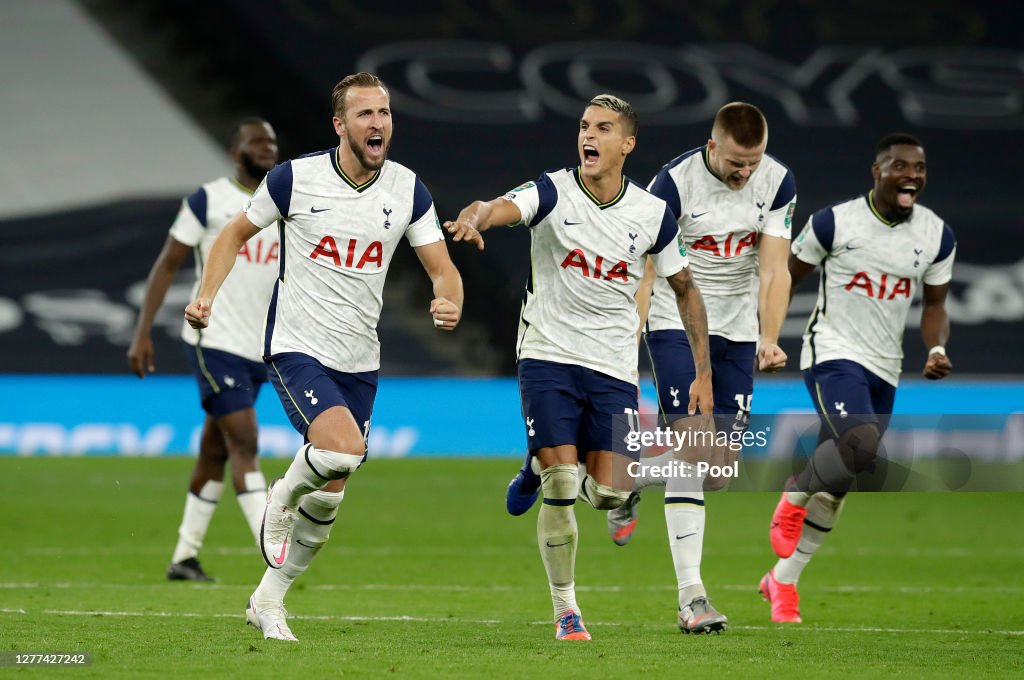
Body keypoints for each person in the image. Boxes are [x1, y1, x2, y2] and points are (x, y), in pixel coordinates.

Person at [184, 72, 464, 641]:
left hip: (360, 358)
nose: (378, 123)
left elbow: (442, 267)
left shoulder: (408, 189)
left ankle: (268, 601)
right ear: (340, 125)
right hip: (296, 348)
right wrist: (206, 294)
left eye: (384, 113)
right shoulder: (294, 180)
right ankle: (278, 498)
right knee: (342, 450)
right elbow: (233, 235)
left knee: (333, 493)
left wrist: (448, 299)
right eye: (365, 114)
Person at [445, 94, 713, 640]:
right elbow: (497, 206)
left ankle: (533, 463)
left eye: (603, 128)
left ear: (627, 144)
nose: (588, 136)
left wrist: (703, 372)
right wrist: (476, 218)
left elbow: (685, 289)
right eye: (585, 126)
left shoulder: (652, 215)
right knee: (563, 481)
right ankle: (566, 608)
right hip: (547, 354)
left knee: (613, 493)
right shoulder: (552, 190)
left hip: (613, 366)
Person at [604, 102, 797, 634]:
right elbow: (646, 271)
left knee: (716, 470)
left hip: (737, 330)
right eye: (737, 162)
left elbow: (775, 266)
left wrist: (771, 337)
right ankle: (693, 598)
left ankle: (628, 478)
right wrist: (631, 336)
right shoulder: (671, 184)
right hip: (675, 322)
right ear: (713, 147)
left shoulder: (777, 182)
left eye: (753, 161)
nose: (746, 173)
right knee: (694, 449)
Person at [759, 133, 955, 623]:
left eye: (920, 168)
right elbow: (788, 275)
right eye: (900, 166)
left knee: (843, 479)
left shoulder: (936, 235)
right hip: (833, 352)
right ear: (877, 171)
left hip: (885, 366)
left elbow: (935, 306)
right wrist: (766, 335)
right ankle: (794, 493)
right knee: (861, 445)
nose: (912, 175)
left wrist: (936, 348)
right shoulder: (834, 222)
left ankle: (782, 582)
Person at [127, 118, 280, 582]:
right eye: (257, 141)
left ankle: (184, 558)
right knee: (246, 442)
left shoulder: (284, 200)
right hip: (213, 341)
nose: (268, 147)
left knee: (215, 450)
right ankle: (273, 553)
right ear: (236, 153)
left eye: (272, 141)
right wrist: (143, 330)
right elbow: (168, 263)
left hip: (261, 348)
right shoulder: (208, 200)